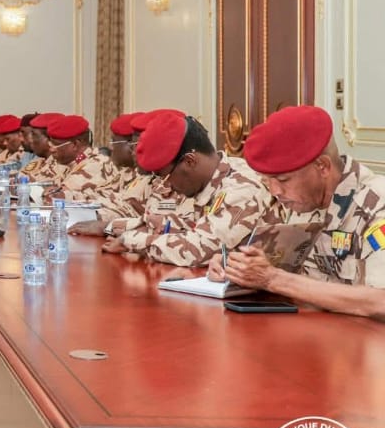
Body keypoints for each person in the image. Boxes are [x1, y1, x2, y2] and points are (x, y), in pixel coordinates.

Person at [209, 105, 385, 318]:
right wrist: (236, 267)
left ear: (322, 167)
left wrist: (274, 279)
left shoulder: (375, 204)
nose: (275, 191)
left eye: (283, 180)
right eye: (267, 180)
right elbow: (280, 267)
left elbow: (380, 301)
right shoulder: (301, 200)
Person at [97, 112, 285, 267]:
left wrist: (132, 240)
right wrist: (124, 227)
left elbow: (200, 249)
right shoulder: (210, 180)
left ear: (189, 161)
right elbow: (190, 225)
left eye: (165, 176)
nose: (166, 185)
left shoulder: (241, 187)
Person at [45, 114, 119, 201]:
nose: (51, 149)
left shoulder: (96, 164)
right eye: (50, 144)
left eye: (55, 144)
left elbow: (56, 195)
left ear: (75, 144)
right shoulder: (74, 162)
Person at [20, 112, 65, 183]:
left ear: (49, 139)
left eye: (34, 135)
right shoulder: (39, 161)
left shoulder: (61, 166)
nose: (31, 140)